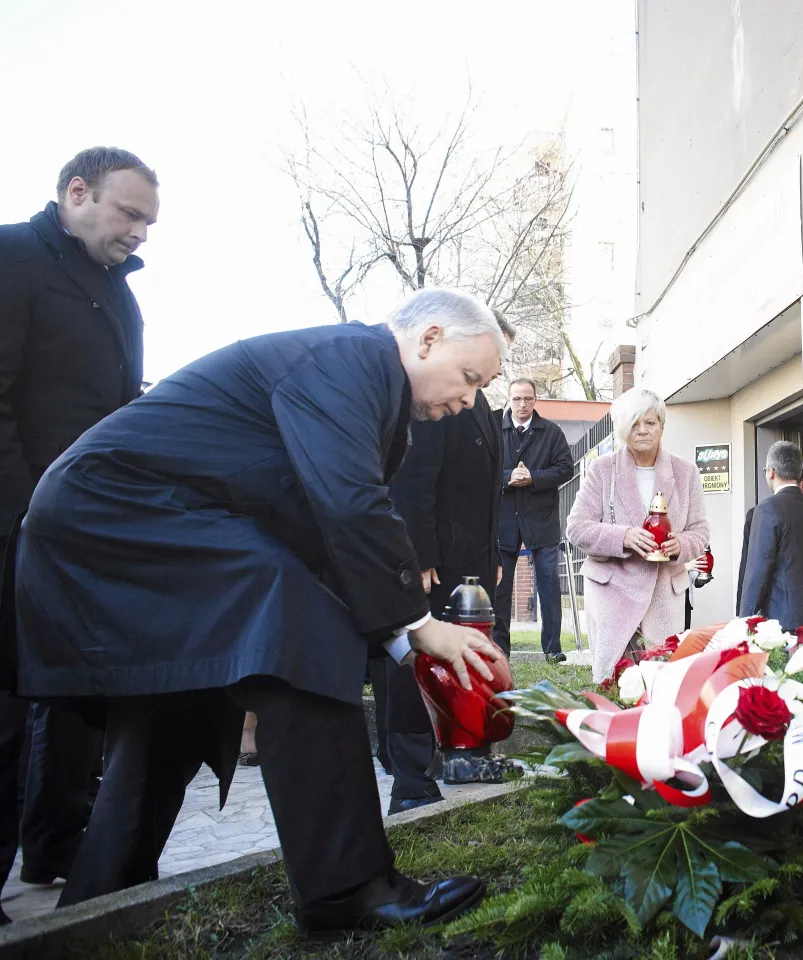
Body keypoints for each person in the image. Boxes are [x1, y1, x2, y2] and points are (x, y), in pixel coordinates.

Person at [2, 288, 508, 933]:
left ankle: (101, 905)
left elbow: (319, 532)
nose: (468, 402)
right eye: (469, 379)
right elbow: (349, 507)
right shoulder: (352, 359)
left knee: (178, 697)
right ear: (429, 338)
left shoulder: (360, 376)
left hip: (118, 511)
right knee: (304, 637)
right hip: (121, 510)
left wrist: (397, 642)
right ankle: (347, 889)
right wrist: (416, 625)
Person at [0, 147, 160, 914]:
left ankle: (55, 845)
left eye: (149, 222)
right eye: (130, 214)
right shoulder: (11, 258)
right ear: (76, 193)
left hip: (82, 537)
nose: (141, 234)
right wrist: (26, 513)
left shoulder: (120, 296)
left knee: (72, 696)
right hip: (15, 527)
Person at [373, 311, 515, 803]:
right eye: (483, 366)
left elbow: (488, 492)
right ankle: (410, 774)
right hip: (433, 560)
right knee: (414, 660)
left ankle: (461, 750)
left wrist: (493, 550)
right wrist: (421, 553)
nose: (490, 375)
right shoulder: (436, 395)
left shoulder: (479, 402)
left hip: (472, 560)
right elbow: (414, 476)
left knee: (462, 663)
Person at [566, 388, 710, 683]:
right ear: (621, 429)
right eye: (633, 423)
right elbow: (576, 527)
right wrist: (624, 537)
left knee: (661, 683)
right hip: (612, 591)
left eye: (650, 423)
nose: (642, 430)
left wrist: (679, 545)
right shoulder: (601, 469)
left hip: (663, 594)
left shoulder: (686, 472)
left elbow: (700, 531)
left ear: (662, 426)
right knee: (615, 683)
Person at [493, 379, 572, 660]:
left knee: (549, 584)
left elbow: (565, 469)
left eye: (527, 398)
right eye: (517, 399)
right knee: (501, 588)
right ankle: (500, 650)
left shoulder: (551, 432)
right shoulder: (495, 429)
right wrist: (507, 478)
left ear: (535, 399)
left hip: (542, 520)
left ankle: (553, 649)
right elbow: (480, 470)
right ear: (509, 400)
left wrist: (533, 477)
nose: (522, 404)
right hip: (503, 522)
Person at [738, 441, 803, 631]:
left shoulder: (766, 510)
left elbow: (757, 572)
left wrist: (744, 622)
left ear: (771, 471)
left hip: (782, 622)